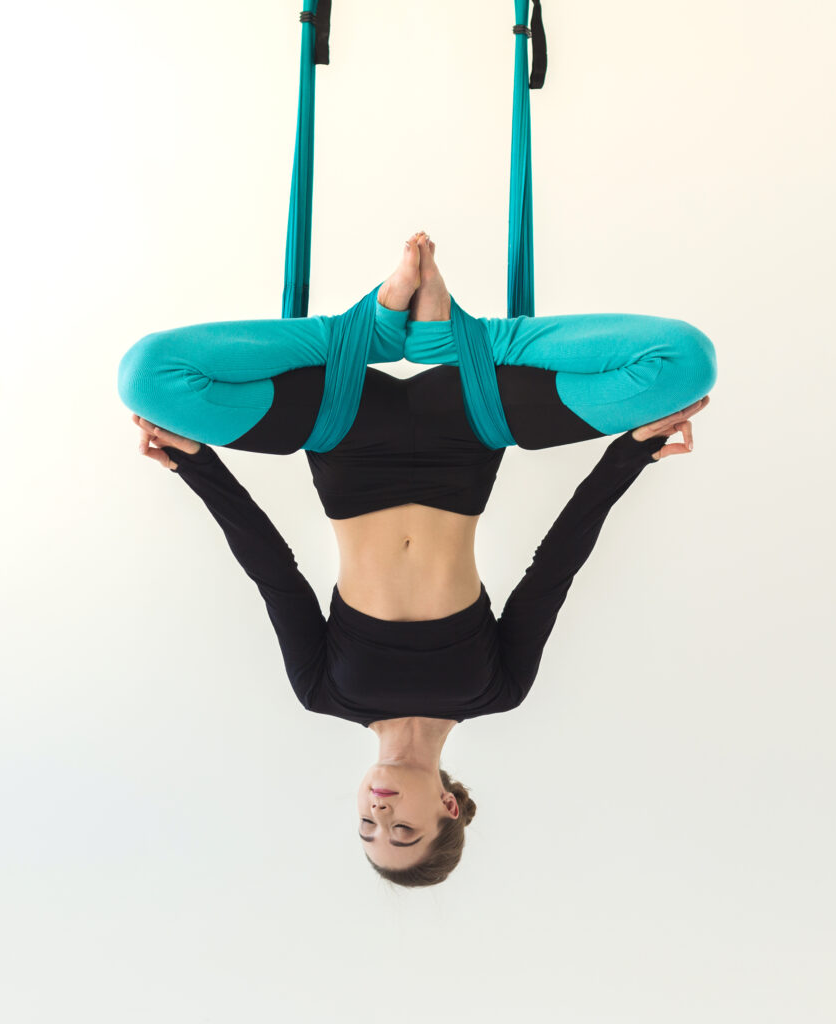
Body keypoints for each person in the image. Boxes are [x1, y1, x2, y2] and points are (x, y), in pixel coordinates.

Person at [118, 233, 716, 887]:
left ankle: (367, 332)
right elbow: (553, 570)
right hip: (468, 424)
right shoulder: (498, 691)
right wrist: (629, 454)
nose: (380, 815)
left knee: (147, 378)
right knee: (682, 364)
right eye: (404, 829)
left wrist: (197, 465)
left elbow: (275, 575)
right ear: (448, 806)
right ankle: (454, 340)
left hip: (341, 424)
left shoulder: (324, 693)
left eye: (368, 830)